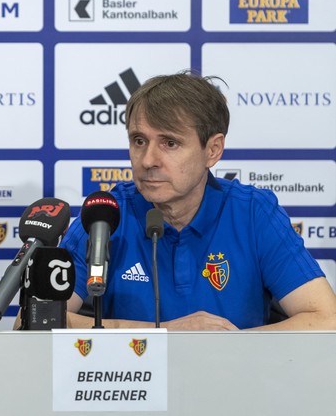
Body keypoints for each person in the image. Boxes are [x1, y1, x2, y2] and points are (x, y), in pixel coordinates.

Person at [60, 71, 336, 330]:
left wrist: (220, 346)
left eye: (170, 143)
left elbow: (326, 319)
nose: (148, 161)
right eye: (139, 140)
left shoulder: (252, 213)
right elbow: (37, 318)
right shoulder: (105, 214)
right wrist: (164, 332)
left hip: (235, 376)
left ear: (213, 150)